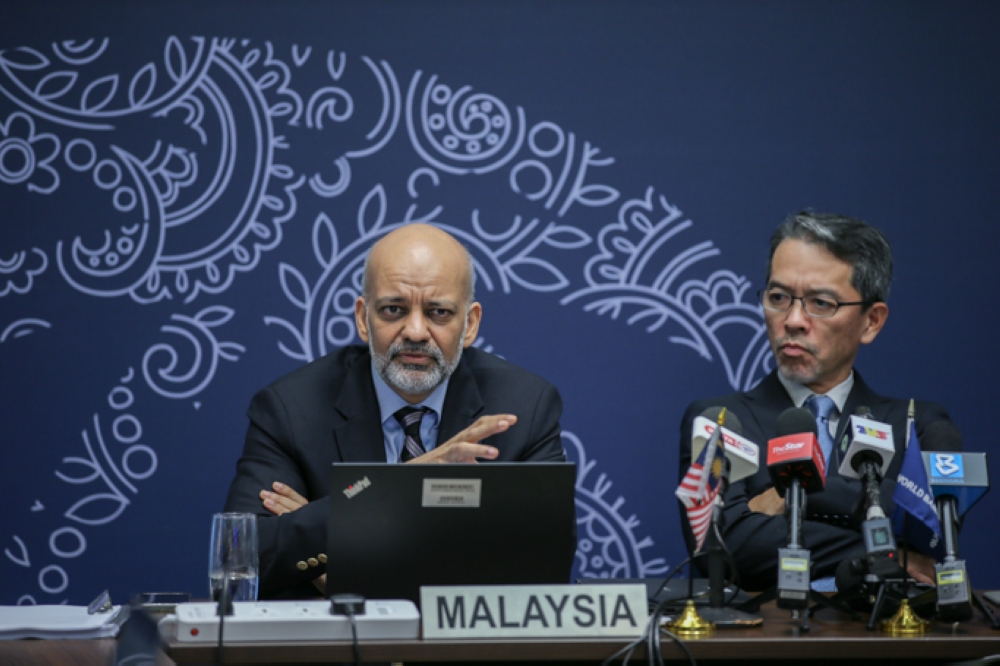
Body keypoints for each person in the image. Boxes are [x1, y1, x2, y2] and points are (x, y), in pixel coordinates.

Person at [224, 223, 565, 599]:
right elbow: (240, 558)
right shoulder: (290, 408)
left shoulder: (524, 407)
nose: (416, 331)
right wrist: (413, 480)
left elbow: (540, 574)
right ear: (362, 317)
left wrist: (348, 565)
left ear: (469, 324)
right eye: (393, 309)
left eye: (438, 312)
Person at [678, 211, 950, 592]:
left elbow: (933, 531)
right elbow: (724, 549)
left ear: (871, 321)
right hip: (760, 644)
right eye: (778, 297)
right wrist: (888, 549)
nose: (792, 320)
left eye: (820, 303)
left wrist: (790, 497)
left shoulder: (916, 424)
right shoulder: (720, 421)